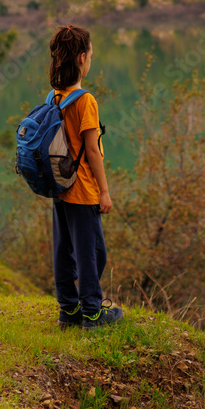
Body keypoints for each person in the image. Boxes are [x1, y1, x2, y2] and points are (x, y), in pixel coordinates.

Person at [49, 23, 124, 329]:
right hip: (82, 191)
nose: (91, 59)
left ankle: (68, 310)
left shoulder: (54, 95)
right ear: (81, 58)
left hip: (59, 186)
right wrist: (104, 192)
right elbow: (92, 152)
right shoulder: (84, 100)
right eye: (91, 54)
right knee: (92, 252)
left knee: (64, 250)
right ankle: (92, 313)